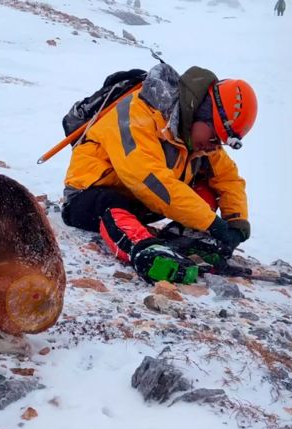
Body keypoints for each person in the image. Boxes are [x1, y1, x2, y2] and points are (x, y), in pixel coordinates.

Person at [61, 62, 257, 284]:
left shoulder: (195, 137)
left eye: (221, 142)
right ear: (201, 115)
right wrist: (213, 224)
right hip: (86, 199)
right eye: (215, 138)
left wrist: (236, 221)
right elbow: (150, 181)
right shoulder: (134, 114)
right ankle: (146, 251)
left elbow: (227, 178)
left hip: (142, 204)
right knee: (111, 203)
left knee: (206, 187)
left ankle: (183, 240)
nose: (214, 146)